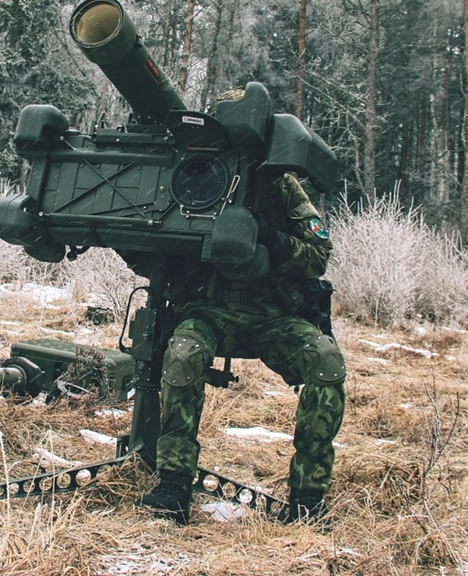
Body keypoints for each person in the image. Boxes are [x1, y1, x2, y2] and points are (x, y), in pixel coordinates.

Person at [132, 98, 346, 526]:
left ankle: (307, 497)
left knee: (325, 362)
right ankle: (173, 483)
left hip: (275, 317)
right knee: (182, 354)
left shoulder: (281, 187)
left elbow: (319, 254)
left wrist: (269, 237)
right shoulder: (192, 173)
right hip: (211, 311)